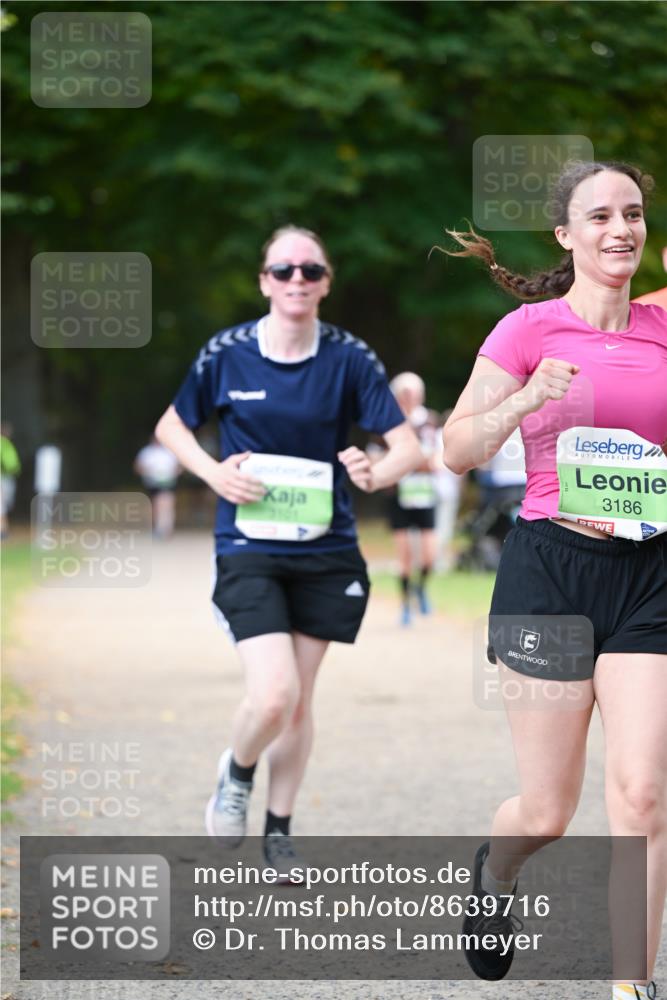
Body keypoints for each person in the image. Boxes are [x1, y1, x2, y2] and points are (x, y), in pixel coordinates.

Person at [441, 160, 667, 998]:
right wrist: (526, 398)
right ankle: (494, 875)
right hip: (550, 576)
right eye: (600, 216)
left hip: (650, 572)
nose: (620, 230)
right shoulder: (528, 332)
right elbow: (458, 450)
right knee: (546, 812)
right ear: (566, 235)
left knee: (641, 795)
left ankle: (628, 984)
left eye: (634, 214)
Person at [155, 225, 421, 872]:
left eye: (309, 270)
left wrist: (375, 473)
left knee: (299, 700)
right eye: (282, 270)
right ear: (263, 281)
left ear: (326, 281)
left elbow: (406, 445)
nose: (296, 280)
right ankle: (237, 771)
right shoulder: (228, 352)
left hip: (325, 547)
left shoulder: (350, 358)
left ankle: (279, 830)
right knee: (273, 694)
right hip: (247, 543)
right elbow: (171, 425)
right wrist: (213, 472)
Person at [386, 372, 440, 625]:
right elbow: (379, 459)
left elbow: (438, 459)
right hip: (399, 497)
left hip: (426, 496)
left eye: (415, 393)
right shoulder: (387, 422)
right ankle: (405, 603)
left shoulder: (430, 421)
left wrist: (417, 463)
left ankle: (422, 588)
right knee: (405, 555)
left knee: (430, 555)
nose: (411, 398)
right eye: (405, 394)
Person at [134, 436, 180, 538]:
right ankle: (157, 528)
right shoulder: (146, 452)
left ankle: (166, 528)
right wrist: (148, 473)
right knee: (155, 506)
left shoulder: (170, 452)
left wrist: (172, 474)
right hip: (152, 483)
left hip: (167, 482)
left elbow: (178, 467)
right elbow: (138, 467)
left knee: (166, 504)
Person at [0, 423, 21, 540]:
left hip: (6, 477)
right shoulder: (3, 443)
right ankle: (3, 530)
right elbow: (10, 463)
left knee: (4, 504)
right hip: (4, 477)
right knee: (2, 504)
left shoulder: (5, 443)